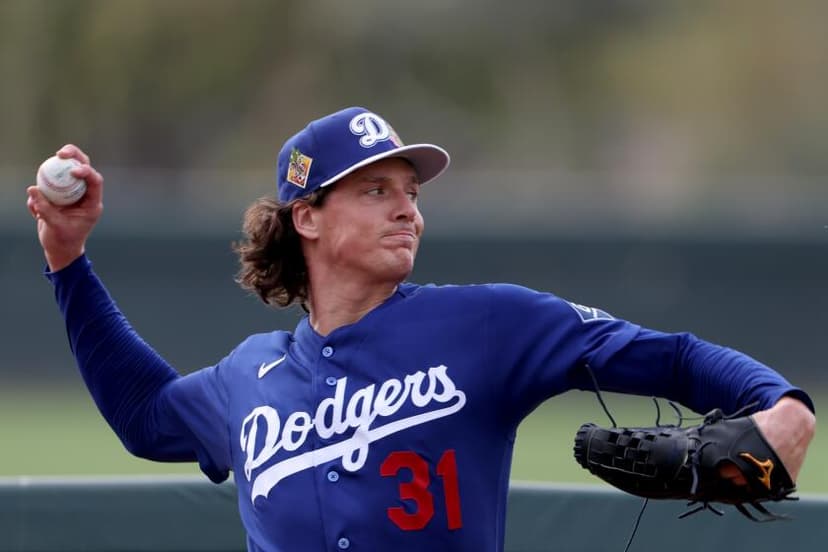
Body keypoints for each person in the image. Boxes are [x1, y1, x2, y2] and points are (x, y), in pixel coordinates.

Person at [27, 107, 815, 551]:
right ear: (307, 217)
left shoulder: (488, 324)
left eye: (410, 191)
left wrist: (782, 406)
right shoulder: (248, 378)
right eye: (375, 191)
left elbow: (671, 357)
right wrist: (68, 260)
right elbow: (145, 415)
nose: (407, 208)